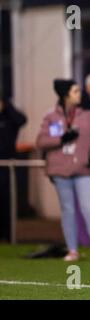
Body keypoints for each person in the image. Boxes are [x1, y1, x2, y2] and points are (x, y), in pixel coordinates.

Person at [36, 79, 90, 262]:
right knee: (68, 210)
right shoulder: (51, 116)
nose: (80, 94)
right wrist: (61, 139)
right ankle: (72, 250)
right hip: (60, 170)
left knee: (89, 209)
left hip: (84, 169)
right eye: (75, 91)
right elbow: (40, 141)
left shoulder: (88, 114)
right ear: (65, 95)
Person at [0, 92, 27, 242]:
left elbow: (22, 120)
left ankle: (8, 235)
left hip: (7, 166)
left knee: (6, 201)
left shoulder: (10, 118)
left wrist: (7, 105)